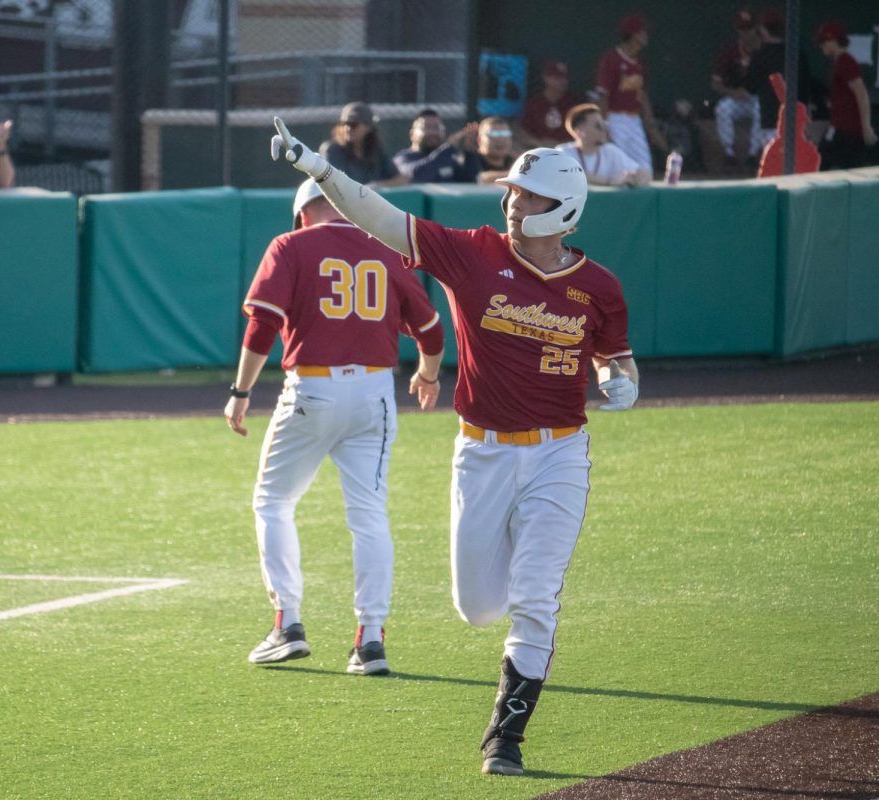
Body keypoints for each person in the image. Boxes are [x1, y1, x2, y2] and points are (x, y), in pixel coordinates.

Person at [271, 116, 638, 776]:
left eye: (528, 196)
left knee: (534, 596)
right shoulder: (474, 253)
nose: (513, 203)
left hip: (560, 453)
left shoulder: (601, 288)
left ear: (566, 209)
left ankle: (505, 736)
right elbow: (383, 217)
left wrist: (620, 382)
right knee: (476, 607)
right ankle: (505, 664)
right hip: (482, 451)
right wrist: (317, 168)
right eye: (512, 192)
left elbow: (619, 362)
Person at [226, 178, 444, 675]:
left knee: (273, 501)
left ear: (304, 211)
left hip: (313, 389)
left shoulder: (291, 244)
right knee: (368, 515)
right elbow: (431, 328)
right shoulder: (386, 248)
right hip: (374, 393)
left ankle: (288, 624)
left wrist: (240, 392)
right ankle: (370, 641)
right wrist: (428, 374)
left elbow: (262, 324)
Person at [594, 13, 668, 174]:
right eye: (642, 32)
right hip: (615, 119)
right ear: (633, 35)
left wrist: (650, 124)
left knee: (645, 168)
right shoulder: (611, 59)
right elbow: (603, 95)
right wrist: (603, 125)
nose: (646, 36)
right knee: (620, 168)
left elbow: (642, 94)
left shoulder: (639, 62)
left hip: (635, 120)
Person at [745, 9, 812, 154]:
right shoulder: (796, 52)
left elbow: (749, 86)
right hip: (795, 118)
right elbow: (806, 85)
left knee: (773, 161)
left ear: (764, 30)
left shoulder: (760, 56)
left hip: (769, 118)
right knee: (793, 161)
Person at [817, 20, 878, 170]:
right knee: (821, 161)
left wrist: (866, 127)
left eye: (824, 41)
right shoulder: (838, 62)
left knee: (846, 168)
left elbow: (861, 93)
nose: (821, 45)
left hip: (848, 130)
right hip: (838, 128)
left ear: (833, 40)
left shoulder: (846, 62)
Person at [711, 11, 768, 168]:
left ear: (756, 29)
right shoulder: (730, 51)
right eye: (742, 29)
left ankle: (753, 154)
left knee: (760, 109)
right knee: (722, 108)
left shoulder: (765, 50)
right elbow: (715, 84)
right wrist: (733, 93)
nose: (746, 32)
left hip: (759, 98)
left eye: (749, 28)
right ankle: (729, 154)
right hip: (737, 98)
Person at [557, 103, 650, 186]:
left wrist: (634, 178)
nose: (604, 129)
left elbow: (644, 173)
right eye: (598, 126)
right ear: (580, 132)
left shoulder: (610, 151)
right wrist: (610, 181)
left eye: (604, 124)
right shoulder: (563, 152)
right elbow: (570, 175)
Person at [319, 101, 407, 187]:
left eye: (353, 125)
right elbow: (335, 185)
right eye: (344, 124)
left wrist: (378, 186)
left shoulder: (377, 152)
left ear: (368, 127)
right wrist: (362, 191)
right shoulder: (332, 150)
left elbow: (401, 180)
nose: (347, 129)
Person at [393, 109, 479, 183]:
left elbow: (469, 182)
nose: (432, 132)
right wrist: (449, 146)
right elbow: (417, 175)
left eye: (437, 128)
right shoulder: (403, 158)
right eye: (426, 127)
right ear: (412, 134)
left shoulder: (448, 158)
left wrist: (470, 152)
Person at [520, 60, 576, 148]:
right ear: (546, 78)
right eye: (557, 78)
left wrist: (560, 144)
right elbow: (523, 132)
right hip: (539, 150)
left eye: (564, 78)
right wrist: (539, 143)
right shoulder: (535, 103)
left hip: (567, 151)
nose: (562, 81)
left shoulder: (573, 104)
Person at [471, 117, 518, 184]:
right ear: (479, 140)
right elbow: (479, 178)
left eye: (505, 133)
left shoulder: (515, 162)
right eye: (493, 134)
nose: (500, 139)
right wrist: (518, 176)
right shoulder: (470, 161)